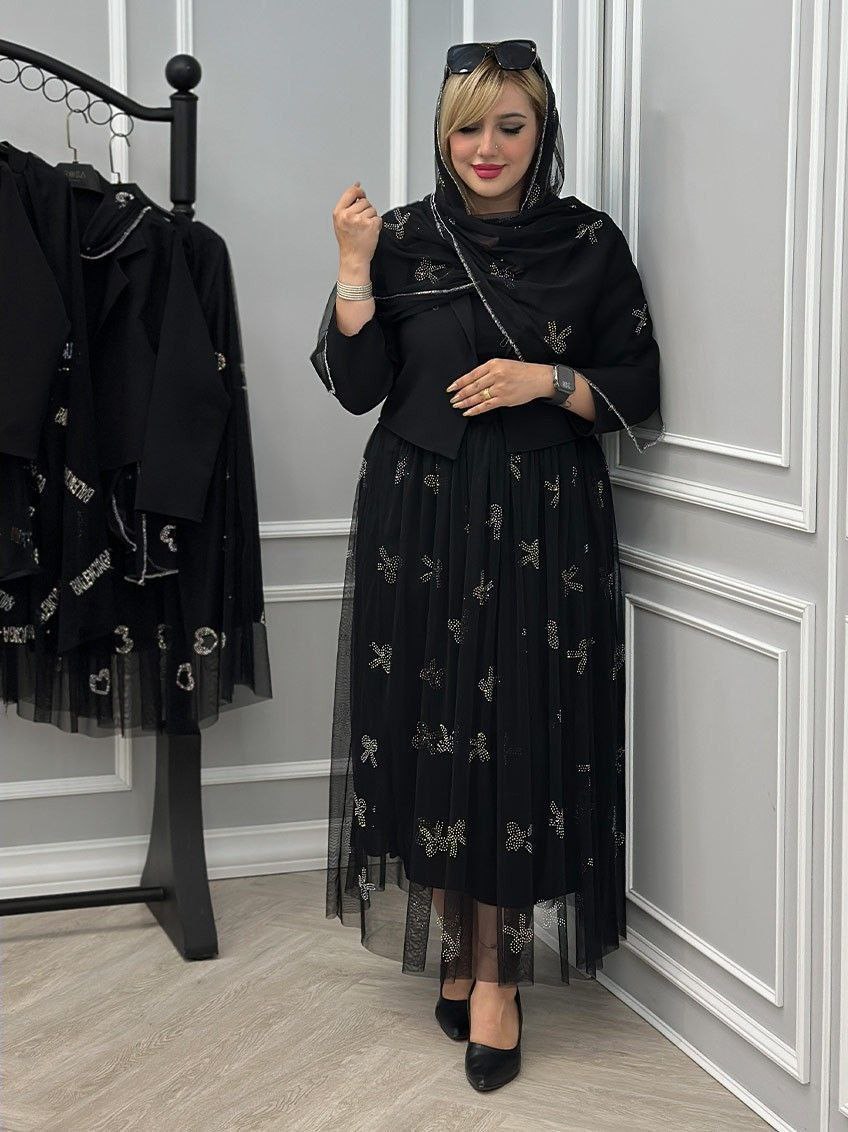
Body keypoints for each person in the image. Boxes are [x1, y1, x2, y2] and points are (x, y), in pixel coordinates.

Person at [310, 39, 664, 1093]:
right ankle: (461, 951)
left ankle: (497, 979)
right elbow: (355, 385)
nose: (487, 147)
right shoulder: (403, 239)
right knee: (431, 731)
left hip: (542, 524)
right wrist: (351, 266)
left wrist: (541, 379)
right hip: (417, 517)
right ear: (442, 132)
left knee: (515, 739)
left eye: (510, 125)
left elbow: (638, 383)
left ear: (539, 131)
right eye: (468, 126)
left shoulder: (587, 242)